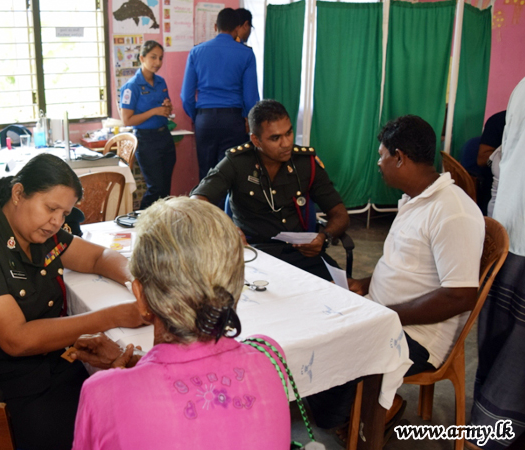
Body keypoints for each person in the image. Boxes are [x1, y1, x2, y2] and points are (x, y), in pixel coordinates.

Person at [0, 153, 144, 450]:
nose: (57, 222)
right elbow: (16, 339)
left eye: (64, 213)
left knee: (120, 411)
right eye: (51, 208)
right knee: (93, 432)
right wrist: (112, 316)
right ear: (19, 193)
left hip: (45, 365)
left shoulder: (43, 236)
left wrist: (135, 284)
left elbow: (99, 257)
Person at [308, 115, 485, 441]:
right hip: (389, 314)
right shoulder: (415, 201)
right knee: (317, 327)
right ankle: (345, 412)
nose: (379, 162)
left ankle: (358, 417)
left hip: (418, 335)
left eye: (382, 155)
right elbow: (409, 269)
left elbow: (460, 296)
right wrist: (366, 283)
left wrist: (389, 315)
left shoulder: (452, 212)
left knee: (333, 355)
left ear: (400, 157)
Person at [71, 197, 292, 449]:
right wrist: (131, 360)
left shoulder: (103, 394)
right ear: (235, 288)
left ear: (141, 299)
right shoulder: (270, 356)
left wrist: (123, 382)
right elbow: (195, 371)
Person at [191, 99, 349, 281]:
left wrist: (324, 237)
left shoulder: (306, 163)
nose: (286, 143)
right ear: (256, 140)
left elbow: (340, 214)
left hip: (301, 255)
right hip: (255, 255)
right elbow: (197, 201)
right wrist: (226, 229)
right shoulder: (237, 162)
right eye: (275, 138)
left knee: (343, 293)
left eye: (289, 133)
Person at [470, 76, 525, 449]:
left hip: (510, 227)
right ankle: (488, 436)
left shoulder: (522, 86)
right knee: (514, 357)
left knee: (500, 342)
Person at [181, 7, 260, 180]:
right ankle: (226, 208)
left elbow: (186, 96)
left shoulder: (196, 52)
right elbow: (251, 97)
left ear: (216, 26)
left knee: (207, 176)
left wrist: (198, 117)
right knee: (232, 174)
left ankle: (206, 207)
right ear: (237, 28)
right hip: (233, 121)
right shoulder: (246, 54)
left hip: (205, 120)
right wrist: (248, 119)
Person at [119, 40, 176, 209]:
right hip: (146, 140)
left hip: (164, 136)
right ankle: (141, 222)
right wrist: (155, 111)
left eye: (160, 58)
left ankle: (161, 227)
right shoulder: (131, 87)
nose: (157, 63)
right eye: (153, 57)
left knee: (165, 190)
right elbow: (127, 120)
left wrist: (167, 108)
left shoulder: (161, 82)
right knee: (155, 187)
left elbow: (166, 108)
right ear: (142, 58)